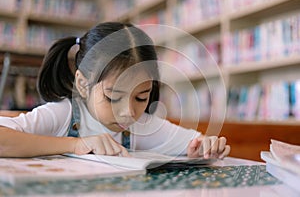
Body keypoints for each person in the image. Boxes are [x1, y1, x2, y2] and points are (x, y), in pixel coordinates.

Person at [0, 22, 230, 159]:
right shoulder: (64, 114)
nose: (128, 112)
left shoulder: (142, 127)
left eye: (141, 97)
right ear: (83, 84)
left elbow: (196, 144)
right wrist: (76, 145)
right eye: (113, 97)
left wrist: (205, 147)